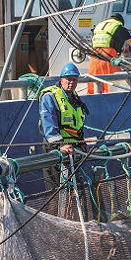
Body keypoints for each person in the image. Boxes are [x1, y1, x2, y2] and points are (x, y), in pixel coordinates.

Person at [39, 63, 93, 214]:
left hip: (72, 150)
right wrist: (59, 145)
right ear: (61, 79)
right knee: (55, 192)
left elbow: (77, 123)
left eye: (74, 80)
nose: (71, 83)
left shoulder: (74, 99)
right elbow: (49, 123)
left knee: (74, 191)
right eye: (68, 79)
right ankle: (54, 223)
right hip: (55, 150)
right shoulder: (50, 97)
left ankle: (71, 220)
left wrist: (81, 141)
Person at [87, 12, 131, 94]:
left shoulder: (99, 27)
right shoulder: (119, 27)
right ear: (121, 21)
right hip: (109, 57)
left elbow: (106, 40)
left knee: (94, 84)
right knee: (112, 84)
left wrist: (121, 49)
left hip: (94, 57)